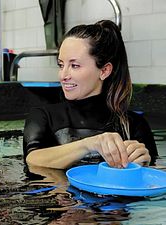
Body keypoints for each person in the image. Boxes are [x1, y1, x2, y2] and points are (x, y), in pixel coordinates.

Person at [23, 20, 158, 170]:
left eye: (75, 65)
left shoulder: (133, 125)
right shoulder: (43, 116)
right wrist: (89, 144)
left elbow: (153, 181)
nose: (63, 75)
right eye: (61, 65)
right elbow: (33, 159)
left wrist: (144, 165)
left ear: (104, 71)